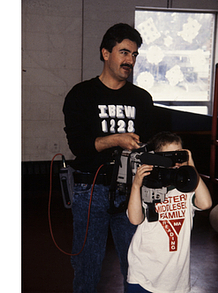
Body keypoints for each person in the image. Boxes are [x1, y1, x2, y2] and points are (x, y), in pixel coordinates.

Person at [62, 23, 156, 293]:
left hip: (132, 191)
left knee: (136, 261)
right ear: (105, 53)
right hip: (90, 188)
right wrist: (116, 139)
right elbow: (79, 145)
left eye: (135, 55)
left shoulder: (142, 98)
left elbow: (150, 142)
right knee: (88, 264)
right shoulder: (81, 95)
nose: (130, 60)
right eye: (124, 52)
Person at [127, 131, 212, 293]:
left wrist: (191, 167)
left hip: (176, 279)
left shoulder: (186, 188)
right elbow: (135, 219)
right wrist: (136, 186)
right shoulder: (148, 185)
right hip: (144, 275)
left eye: (179, 156)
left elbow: (206, 203)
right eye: (170, 158)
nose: (176, 163)